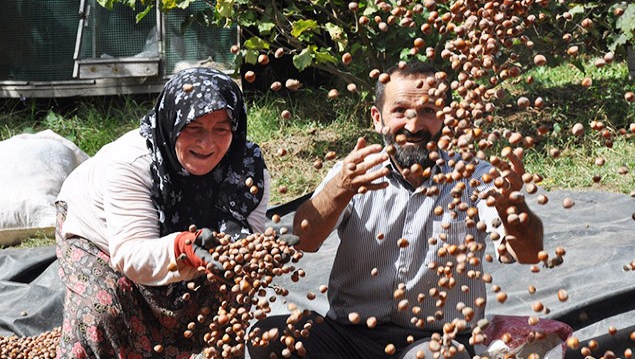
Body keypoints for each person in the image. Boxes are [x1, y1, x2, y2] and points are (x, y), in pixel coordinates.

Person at [247, 61, 544, 359]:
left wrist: (509, 204)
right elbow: (304, 238)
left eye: (428, 111)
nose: (413, 127)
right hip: (350, 337)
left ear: (445, 118)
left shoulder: (474, 177)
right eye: (400, 111)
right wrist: (341, 187)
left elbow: (529, 253)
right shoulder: (355, 171)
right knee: (268, 336)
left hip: (432, 341)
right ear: (378, 118)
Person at [55, 67, 272, 358]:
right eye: (194, 128)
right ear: (172, 122)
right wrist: (184, 248)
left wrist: (259, 252)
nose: (207, 143)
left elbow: (249, 243)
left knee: (229, 290)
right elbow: (131, 254)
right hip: (98, 230)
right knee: (106, 304)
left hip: (180, 240)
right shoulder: (132, 162)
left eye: (221, 128)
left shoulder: (247, 168)